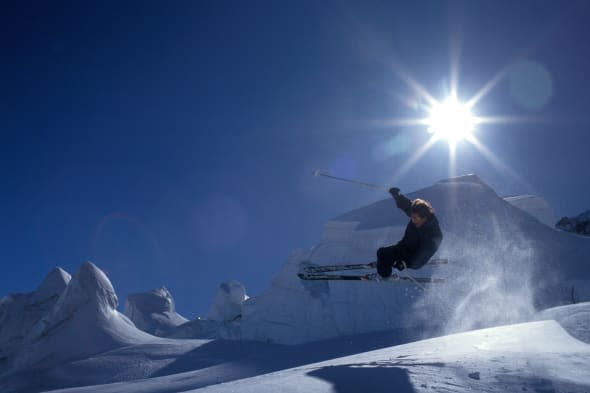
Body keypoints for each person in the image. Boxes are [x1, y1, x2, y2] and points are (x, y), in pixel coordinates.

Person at [376, 187, 443, 278]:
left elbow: (425, 253)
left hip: (414, 257)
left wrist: (406, 263)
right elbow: (406, 205)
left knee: (411, 259)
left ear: (424, 218)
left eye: (415, 218)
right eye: (412, 217)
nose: (413, 220)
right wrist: (396, 195)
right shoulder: (417, 213)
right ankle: (385, 273)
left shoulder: (434, 234)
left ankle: (387, 271)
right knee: (382, 253)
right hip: (402, 248)